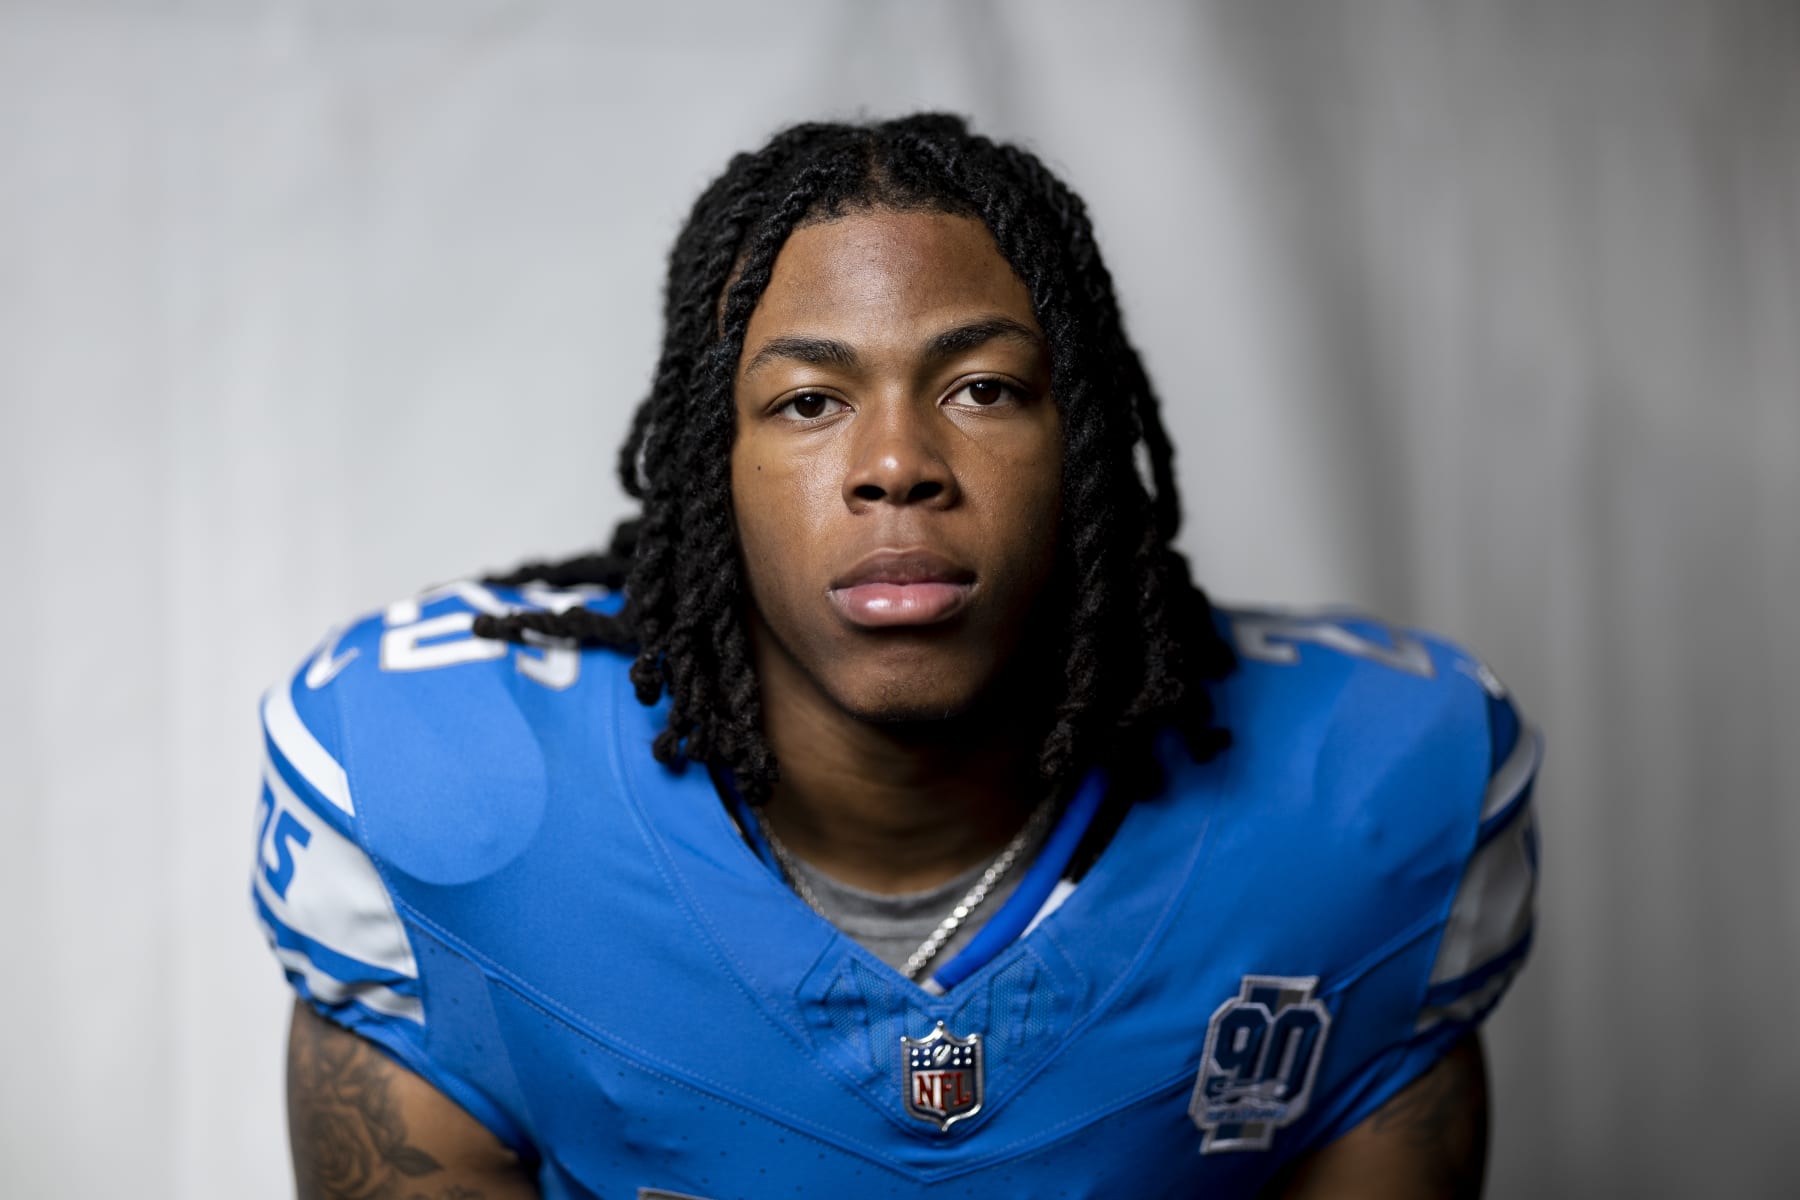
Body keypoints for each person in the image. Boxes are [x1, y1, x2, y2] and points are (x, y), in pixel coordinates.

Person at [253, 113, 1540, 1199]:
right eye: (809, 402)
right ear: (711, 466)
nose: (895, 467)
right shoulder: (457, 798)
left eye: (982, 388)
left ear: (1084, 440)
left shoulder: (1367, 798)